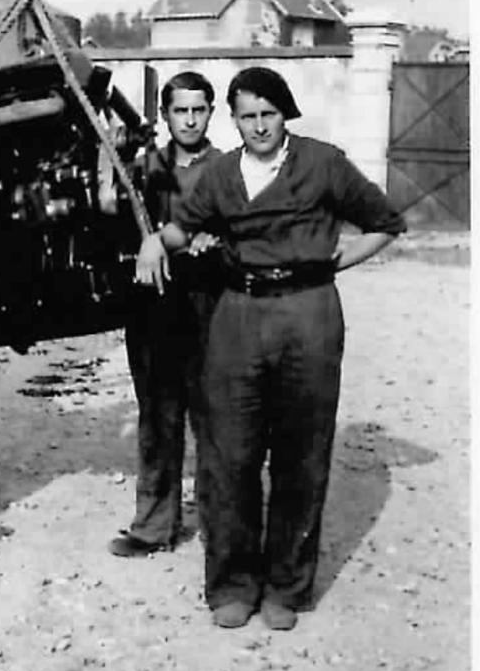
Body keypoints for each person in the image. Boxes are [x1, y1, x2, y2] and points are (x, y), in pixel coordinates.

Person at [135, 66, 406, 629]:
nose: (259, 126)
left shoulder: (323, 162)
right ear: (232, 121)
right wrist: (153, 242)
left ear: (286, 115)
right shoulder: (223, 174)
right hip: (238, 315)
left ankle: (286, 589)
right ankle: (232, 584)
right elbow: (184, 227)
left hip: (308, 314)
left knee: (300, 454)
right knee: (227, 452)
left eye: (268, 114)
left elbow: (384, 222)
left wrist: (334, 265)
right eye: (247, 116)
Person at [110, 71, 220, 557]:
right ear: (166, 115)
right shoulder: (144, 167)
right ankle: (155, 526)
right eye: (180, 110)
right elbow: (112, 218)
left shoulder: (227, 169)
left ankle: (224, 525)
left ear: (211, 113)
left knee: (214, 419)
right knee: (158, 416)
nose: (190, 119)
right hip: (154, 305)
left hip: (210, 306)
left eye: (199, 110)